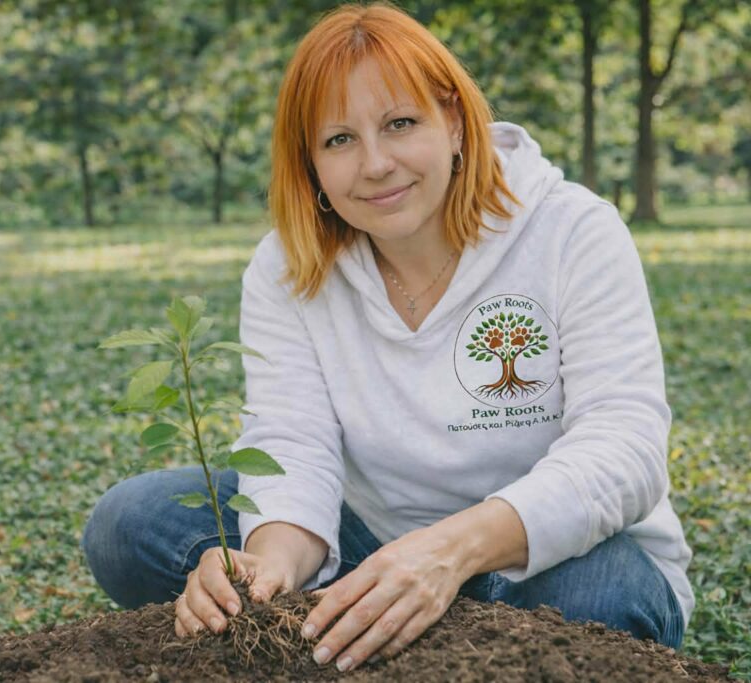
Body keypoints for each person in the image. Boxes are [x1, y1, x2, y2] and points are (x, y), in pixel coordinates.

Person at [83, 2, 693, 672]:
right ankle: (379, 623)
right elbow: (294, 444)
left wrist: (448, 552)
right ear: (309, 163)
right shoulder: (287, 267)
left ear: (455, 122)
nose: (374, 164)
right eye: (338, 140)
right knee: (131, 523)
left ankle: (400, 632)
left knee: (601, 599)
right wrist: (269, 567)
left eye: (400, 124)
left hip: (539, 555)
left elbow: (625, 447)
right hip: (372, 545)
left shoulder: (572, 230)